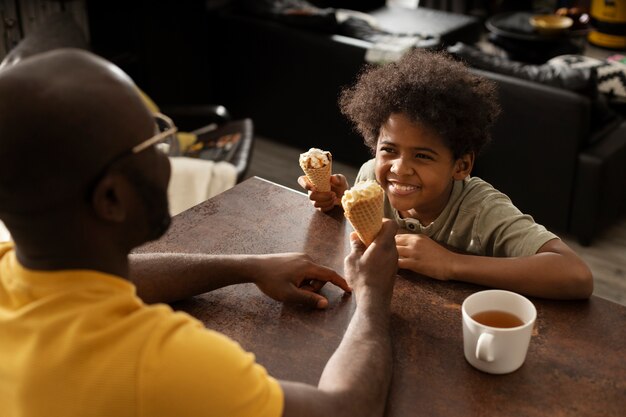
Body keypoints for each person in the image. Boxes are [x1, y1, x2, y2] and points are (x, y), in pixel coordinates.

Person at [0, 49, 399, 417]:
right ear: (111, 197)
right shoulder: (158, 365)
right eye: (157, 142)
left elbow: (112, 278)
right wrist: (373, 297)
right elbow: (344, 409)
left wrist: (248, 267)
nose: (168, 160)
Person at [299, 48, 593, 300]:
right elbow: (366, 235)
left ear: (461, 166)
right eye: (389, 150)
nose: (399, 168)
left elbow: (576, 276)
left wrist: (451, 263)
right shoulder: (372, 176)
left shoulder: (482, 210)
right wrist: (339, 204)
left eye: (423, 155)